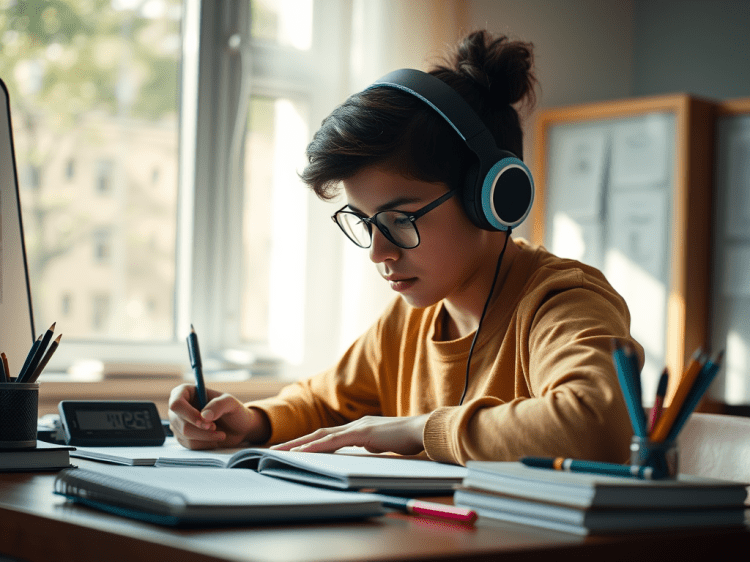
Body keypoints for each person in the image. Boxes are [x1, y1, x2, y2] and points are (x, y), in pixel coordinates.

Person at [169, 30, 641, 466]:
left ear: (491, 199)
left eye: (400, 220)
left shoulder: (560, 302)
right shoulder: (407, 322)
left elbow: (595, 425)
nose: (378, 252)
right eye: (365, 222)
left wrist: (418, 429)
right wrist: (252, 423)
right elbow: (325, 402)